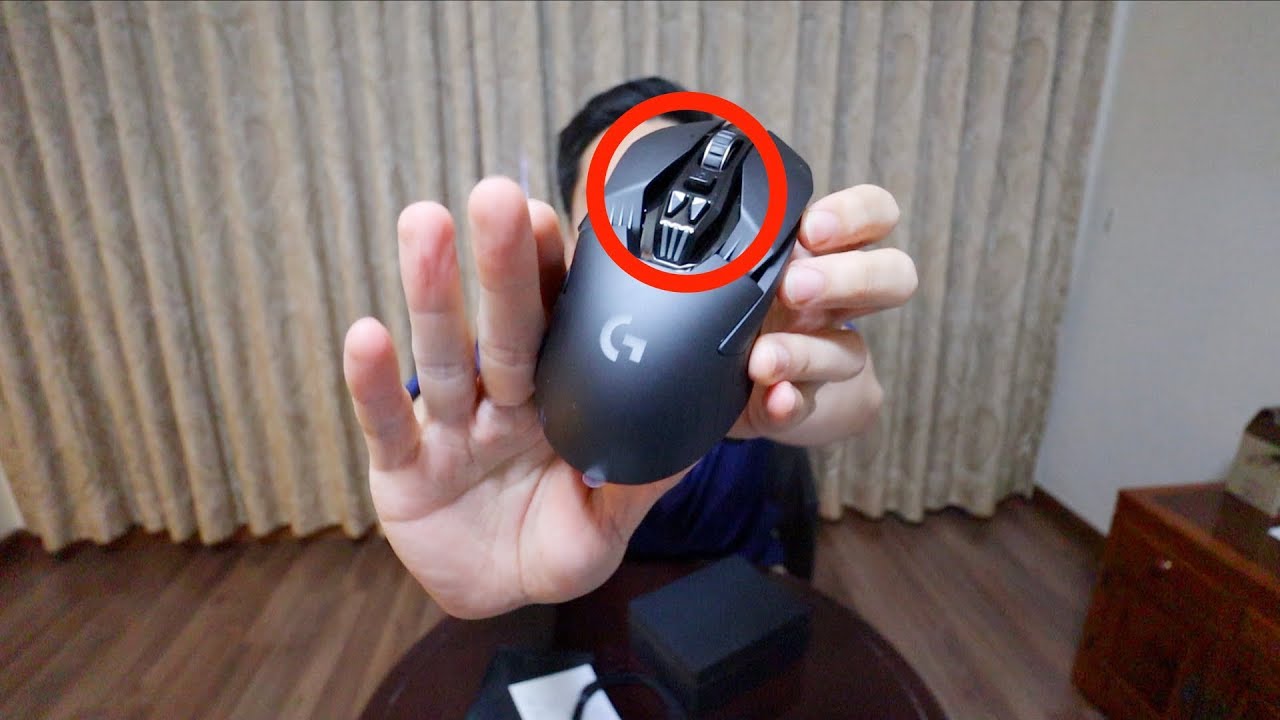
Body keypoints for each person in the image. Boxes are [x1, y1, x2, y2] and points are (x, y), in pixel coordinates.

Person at [342, 77, 917, 620]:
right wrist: (473, 520)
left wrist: (791, 362)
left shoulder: (764, 329)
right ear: (573, 238)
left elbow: (860, 402)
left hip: (731, 592)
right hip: (568, 607)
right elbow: (428, 434)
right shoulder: (511, 374)